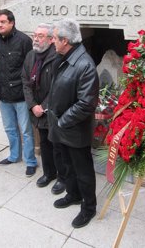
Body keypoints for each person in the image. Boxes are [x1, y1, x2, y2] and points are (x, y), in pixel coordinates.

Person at [48, 18, 99, 229]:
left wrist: (62, 121)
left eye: (54, 38)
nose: (52, 41)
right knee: (67, 166)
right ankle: (73, 194)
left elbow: (86, 104)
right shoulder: (62, 57)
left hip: (74, 130)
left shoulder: (85, 65)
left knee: (83, 171)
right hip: (60, 127)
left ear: (65, 40)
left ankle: (89, 208)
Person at [22, 23, 66, 194]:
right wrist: (33, 105)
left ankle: (62, 178)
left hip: (52, 111)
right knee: (44, 145)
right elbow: (25, 81)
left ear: (50, 39)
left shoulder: (57, 57)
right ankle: (49, 173)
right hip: (37, 111)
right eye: (35, 35)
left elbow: (58, 86)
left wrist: (44, 106)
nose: (36, 39)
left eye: (40, 36)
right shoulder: (30, 56)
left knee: (57, 147)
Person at [0, 9, 37, 177]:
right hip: (2, 93)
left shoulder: (24, 40)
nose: (0, 25)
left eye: (3, 22)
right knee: (10, 128)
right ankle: (14, 155)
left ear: (12, 22)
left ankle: (31, 161)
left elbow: (30, 67)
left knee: (26, 130)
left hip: (20, 95)